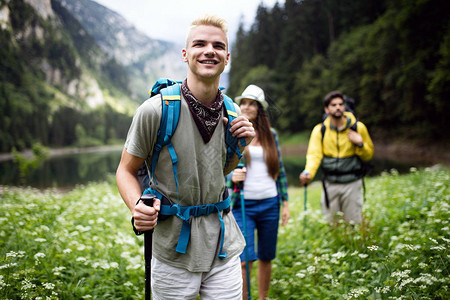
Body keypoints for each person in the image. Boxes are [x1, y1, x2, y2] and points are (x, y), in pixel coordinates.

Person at [116, 15, 255, 299]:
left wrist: (241, 145)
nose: (209, 50)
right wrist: (136, 207)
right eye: (199, 44)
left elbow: (220, 170)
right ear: (185, 54)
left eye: (217, 45)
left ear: (226, 57)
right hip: (171, 249)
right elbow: (125, 171)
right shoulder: (155, 110)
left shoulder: (233, 112)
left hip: (222, 244)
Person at [227, 84, 290, 300]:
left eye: (251, 103)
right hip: (243, 203)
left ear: (259, 109)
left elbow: (280, 171)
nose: (246, 107)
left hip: (270, 203)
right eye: (243, 102)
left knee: (266, 256)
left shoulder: (271, 135)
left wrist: (286, 204)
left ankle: (262, 298)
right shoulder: (234, 132)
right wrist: (231, 177)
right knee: (244, 260)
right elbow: (220, 165)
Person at [299, 90, 374, 224]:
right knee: (332, 223)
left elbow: (368, 155)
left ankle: (353, 244)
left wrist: (360, 143)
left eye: (340, 104)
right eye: (333, 105)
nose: (338, 107)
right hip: (330, 183)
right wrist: (308, 172)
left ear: (344, 107)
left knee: (354, 223)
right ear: (327, 109)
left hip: (352, 182)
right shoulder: (320, 130)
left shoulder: (358, 128)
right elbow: (314, 155)